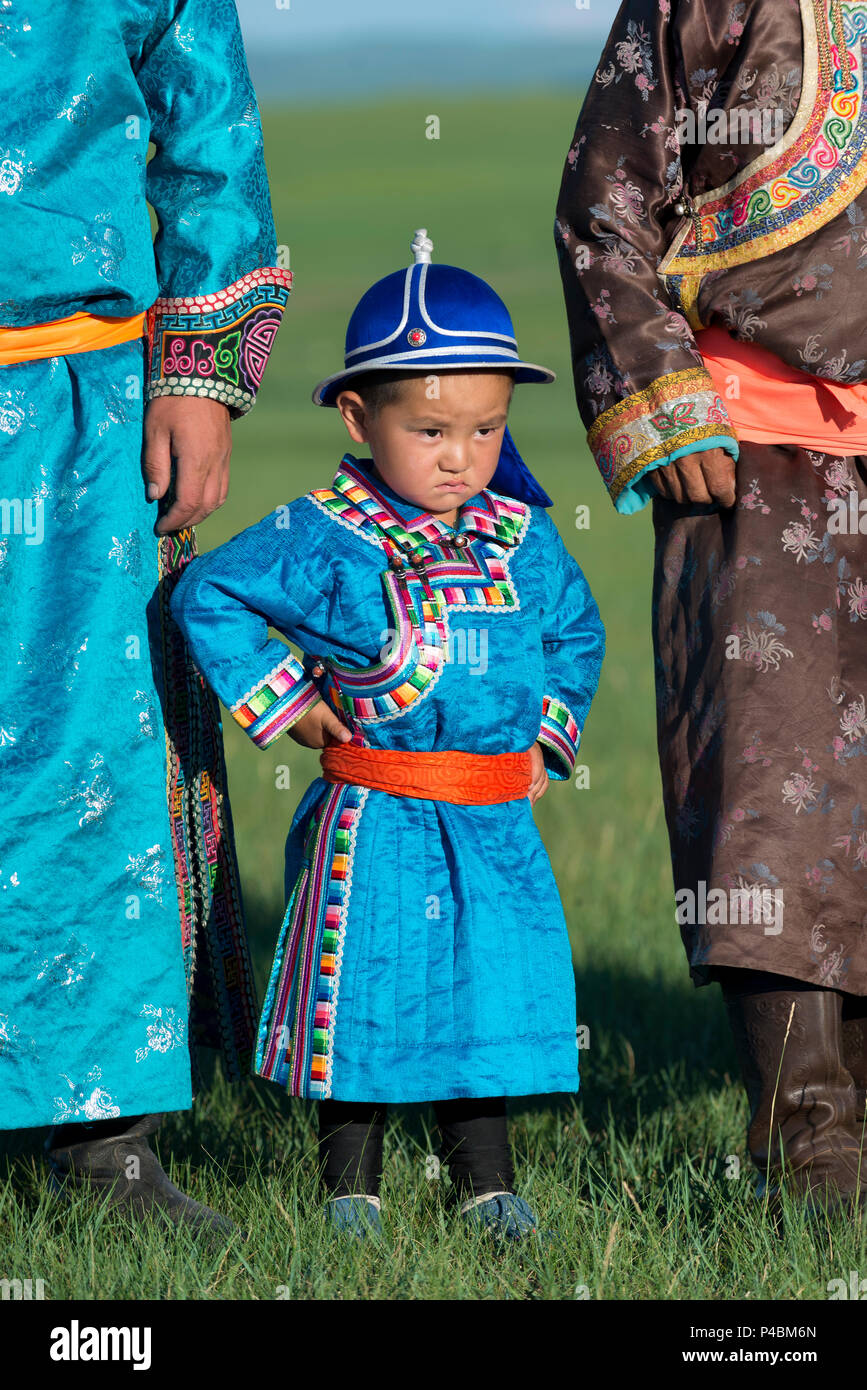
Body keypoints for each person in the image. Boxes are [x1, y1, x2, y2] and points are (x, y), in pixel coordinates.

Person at [170, 229, 606, 1239]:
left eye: (488, 430)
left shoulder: (521, 534)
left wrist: (546, 738)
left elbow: (575, 627)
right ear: (362, 417)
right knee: (360, 999)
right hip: (374, 817)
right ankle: (349, 1191)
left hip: (492, 822)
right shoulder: (326, 532)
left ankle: (486, 1184)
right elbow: (208, 592)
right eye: (433, 431)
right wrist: (288, 701)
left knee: (483, 999)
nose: (463, 457)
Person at [555, 0, 867, 1211]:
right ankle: (808, 1144)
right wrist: (658, 396)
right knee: (768, 805)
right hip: (751, 445)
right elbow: (604, 199)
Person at [0, 0, 290, 1233]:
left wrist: (200, 378)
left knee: (92, 762)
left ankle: (102, 1148)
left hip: (79, 396)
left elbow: (207, 115)